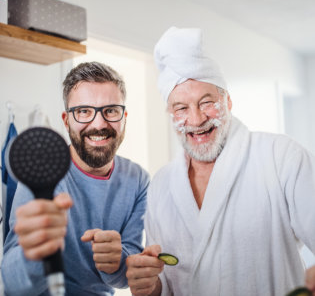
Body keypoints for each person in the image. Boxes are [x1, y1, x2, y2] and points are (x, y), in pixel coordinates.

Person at [125, 27, 315, 296]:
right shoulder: (162, 185)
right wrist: (147, 285)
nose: (196, 119)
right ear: (170, 114)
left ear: (228, 100)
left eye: (206, 102)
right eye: (181, 108)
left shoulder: (281, 157)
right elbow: (164, 286)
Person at [1, 62, 149, 295]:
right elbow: (13, 285)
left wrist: (116, 261)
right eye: (83, 111)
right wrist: (33, 254)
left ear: (124, 117)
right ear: (66, 119)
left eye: (110, 110)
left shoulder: (138, 180)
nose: (99, 124)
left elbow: (123, 279)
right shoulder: (42, 170)